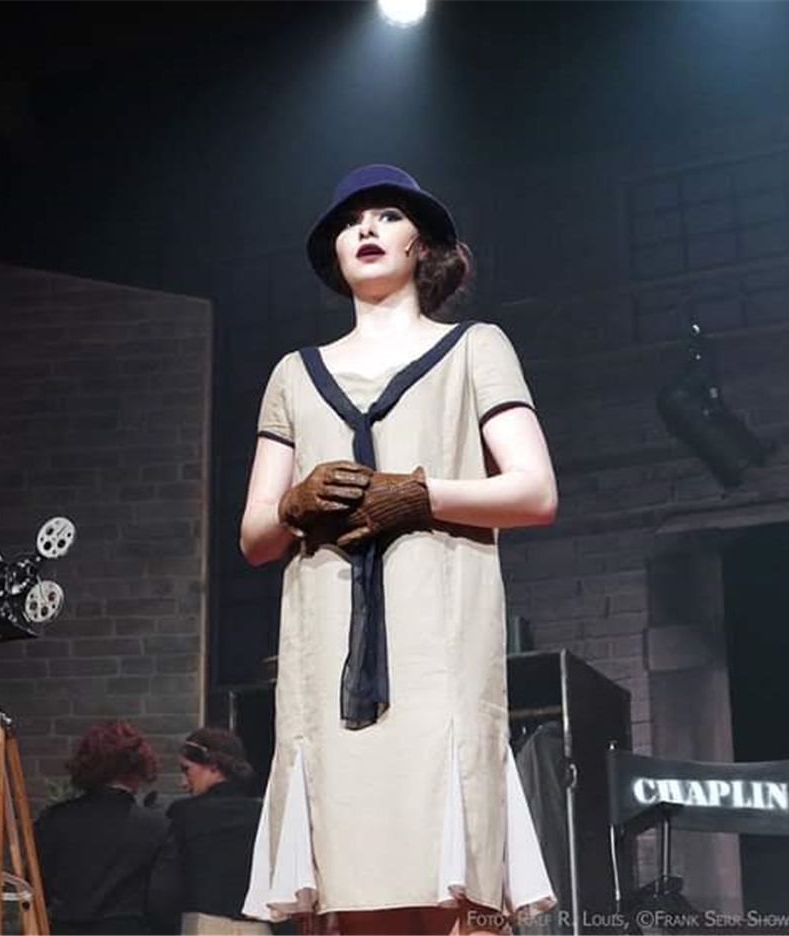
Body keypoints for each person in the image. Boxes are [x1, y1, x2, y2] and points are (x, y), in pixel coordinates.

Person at [238, 165, 559, 935]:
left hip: (438, 652)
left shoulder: (475, 348)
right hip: (328, 663)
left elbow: (535, 491)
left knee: (452, 888)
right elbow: (255, 538)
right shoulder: (295, 376)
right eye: (351, 222)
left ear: (422, 245)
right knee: (354, 891)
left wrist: (420, 495)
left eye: (387, 216)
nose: (367, 230)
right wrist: (293, 502)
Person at [34, 720, 173, 935]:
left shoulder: (54, 820)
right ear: (137, 768)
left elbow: (34, 888)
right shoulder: (157, 827)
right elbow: (162, 901)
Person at [153, 727, 271, 936]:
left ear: (214, 766)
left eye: (186, 769)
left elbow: (166, 886)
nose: (183, 782)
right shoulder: (263, 814)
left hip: (201, 926)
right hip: (259, 927)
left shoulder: (183, 814)